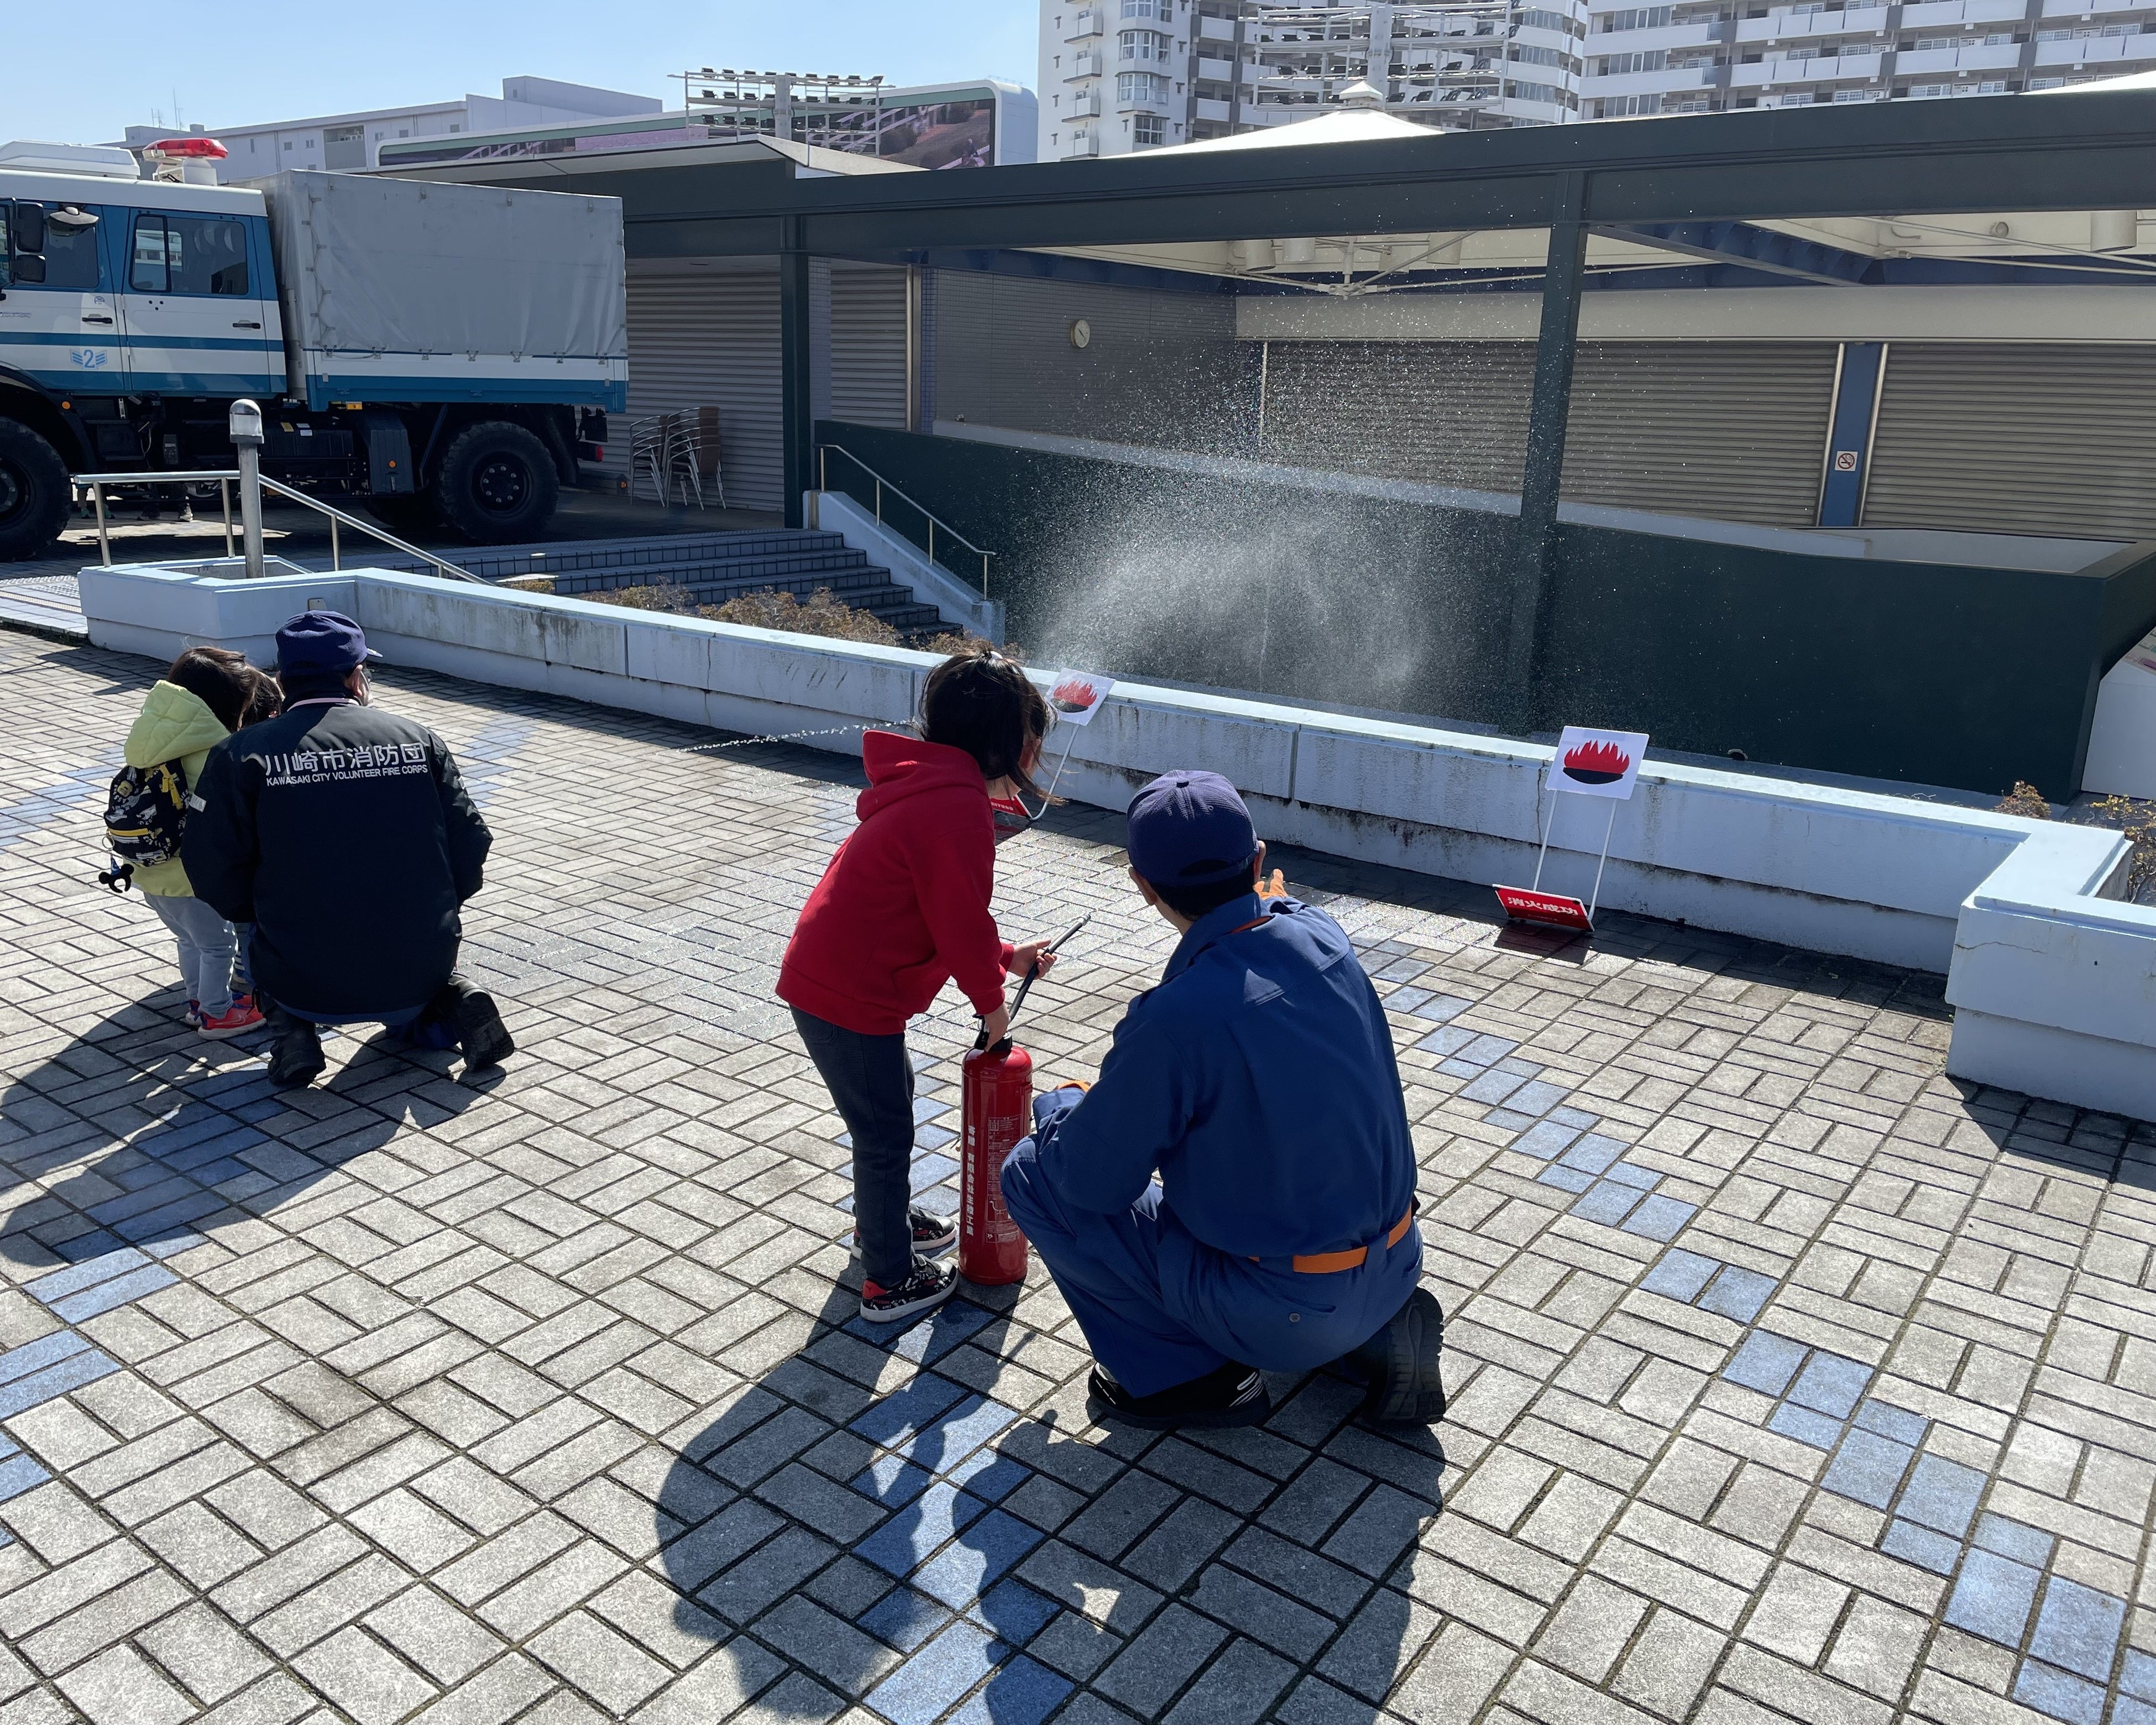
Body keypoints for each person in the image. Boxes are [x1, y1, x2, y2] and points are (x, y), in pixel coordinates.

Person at [1000, 770, 1446, 1431]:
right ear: (1259, 862)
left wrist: (1061, 1107)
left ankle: (1194, 1381)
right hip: (1398, 1261)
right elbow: (1284, 909)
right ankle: (1370, 1335)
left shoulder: (1174, 1020)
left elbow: (1090, 1182)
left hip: (1286, 1310)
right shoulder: (1326, 937)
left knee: (1033, 1170)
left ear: (1142, 885)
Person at [779, 646, 1061, 1324]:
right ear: (1011, 742)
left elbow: (941, 912)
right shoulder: (957, 809)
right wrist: (993, 1008)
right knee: (884, 1134)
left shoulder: (935, 790)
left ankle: (883, 1222)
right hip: (850, 995)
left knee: (889, 1108)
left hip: (840, 982)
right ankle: (887, 1278)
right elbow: (959, 923)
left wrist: (1006, 959)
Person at [184, 611, 514, 1089]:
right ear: (356, 677)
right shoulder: (417, 739)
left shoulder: (241, 754)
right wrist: (441, 907)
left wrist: (255, 914)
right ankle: (453, 994)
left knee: (260, 942)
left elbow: (210, 862)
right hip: (416, 957)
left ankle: (294, 1035)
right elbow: (472, 839)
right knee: (416, 980)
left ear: (282, 680)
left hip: (300, 971)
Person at [121, 647, 270, 1039]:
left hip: (149, 870)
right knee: (218, 947)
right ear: (226, 704)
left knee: (190, 941)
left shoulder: (154, 734)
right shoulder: (212, 753)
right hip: (191, 879)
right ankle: (217, 1015)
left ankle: (198, 1003)